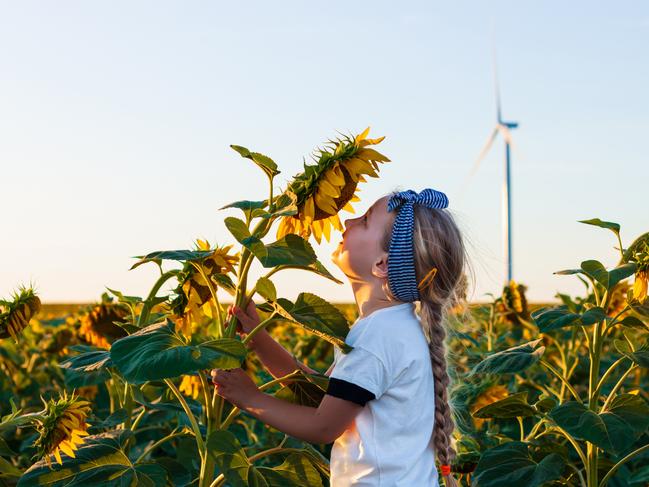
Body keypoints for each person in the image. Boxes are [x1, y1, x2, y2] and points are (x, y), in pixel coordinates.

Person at [211, 188, 470, 486]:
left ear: (382, 264)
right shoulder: (388, 327)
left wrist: (249, 397)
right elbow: (324, 396)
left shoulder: (379, 336)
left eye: (364, 220)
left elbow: (323, 426)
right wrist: (260, 340)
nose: (348, 222)